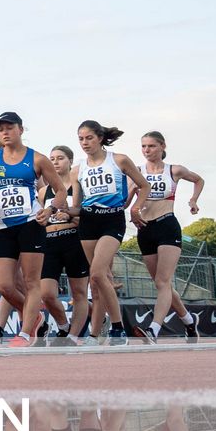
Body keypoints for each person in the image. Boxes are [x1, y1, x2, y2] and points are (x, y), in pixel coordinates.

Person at [0, 112, 67, 348]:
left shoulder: (37, 159)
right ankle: (35, 317)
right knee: (4, 285)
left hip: (31, 224)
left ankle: (25, 333)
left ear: (21, 130)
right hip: (2, 226)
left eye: (9, 128)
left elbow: (60, 191)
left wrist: (50, 209)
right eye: (0, 129)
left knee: (32, 282)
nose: (5, 133)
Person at [74, 121, 152, 346]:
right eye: (81, 139)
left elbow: (144, 186)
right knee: (96, 283)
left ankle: (118, 328)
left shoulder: (119, 160)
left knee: (98, 273)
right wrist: (57, 211)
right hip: (88, 221)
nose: (85, 143)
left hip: (112, 220)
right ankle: (95, 335)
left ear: (99, 138)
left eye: (89, 138)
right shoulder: (78, 169)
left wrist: (136, 208)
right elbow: (77, 206)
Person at [132, 132, 207, 343]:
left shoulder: (174, 170)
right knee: (160, 283)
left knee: (163, 280)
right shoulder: (137, 172)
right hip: (144, 229)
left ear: (162, 146)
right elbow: (127, 197)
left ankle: (154, 329)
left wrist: (193, 200)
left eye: (151, 146)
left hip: (167, 225)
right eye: (144, 146)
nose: (147, 150)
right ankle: (189, 322)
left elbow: (199, 180)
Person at [36, 145, 88, 345]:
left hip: (74, 241)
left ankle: (73, 336)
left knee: (79, 293)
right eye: (52, 159)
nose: (55, 162)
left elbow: (86, 214)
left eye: (60, 158)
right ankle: (63, 326)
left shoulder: (78, 187)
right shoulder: (44, 192)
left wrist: (70, 215)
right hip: (50, 243)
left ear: (70, 161)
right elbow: (40, 216)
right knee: (46, 293)